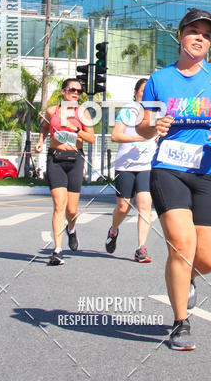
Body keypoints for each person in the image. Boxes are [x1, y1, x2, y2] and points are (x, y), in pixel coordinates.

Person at [136, 9, 211, 351]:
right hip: (169, 169)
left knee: (208, 258)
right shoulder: (160, 79)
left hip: (209, 171)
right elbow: (142, 125)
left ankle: (188, 278)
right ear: (179, 36)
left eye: (207, 35)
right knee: (181, 246)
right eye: (193, 31)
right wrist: (154, 127)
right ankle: (180, 323)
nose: (200, 38)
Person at [36, 78, 95, 265]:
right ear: (63, 92)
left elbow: (91, 139)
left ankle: (71, 228)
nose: (76, 93)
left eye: (79, 91)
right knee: (59, 205)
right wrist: (40, 141)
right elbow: (45, 128)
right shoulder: (52, 111)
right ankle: (58, 250)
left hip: (75, 159)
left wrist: (75, 129)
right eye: (72, 90)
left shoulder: (83, 113)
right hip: (55, 159)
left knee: (72, 209)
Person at [105, 78, 156, 262]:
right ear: (135, 93)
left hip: (146, 166)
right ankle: (113, 230)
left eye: (149, 91)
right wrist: (140, 139)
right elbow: (115, 135)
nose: (146, 94)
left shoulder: (156, 112)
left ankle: (141, 248)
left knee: (145, 206)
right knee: (123, 206)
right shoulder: (128, 110)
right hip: (125, 166)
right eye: (143, 91)